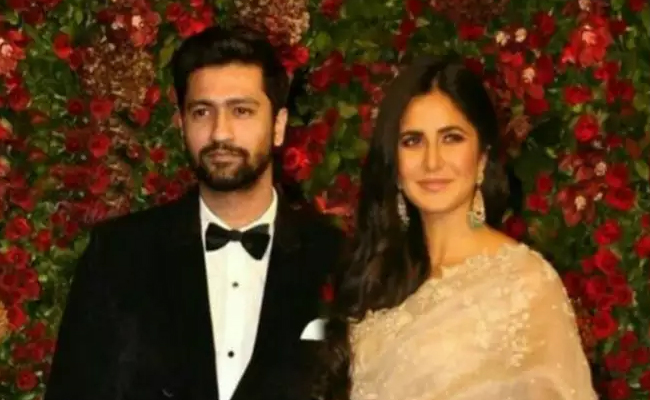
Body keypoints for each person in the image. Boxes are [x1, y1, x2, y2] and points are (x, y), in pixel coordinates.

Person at [45, 25, 343, 400]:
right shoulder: (119, 255)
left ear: (278, 126)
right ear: (182, 123)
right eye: (202, 112)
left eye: (241, 111)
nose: (220, 133)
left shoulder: (335, 258)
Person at [316, 56, 597, 400]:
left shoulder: (525, 284)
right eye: (413, 141)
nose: (432, 161)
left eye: (451, 138)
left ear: (481, 158)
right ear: (394, 164)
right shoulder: (378, 273)